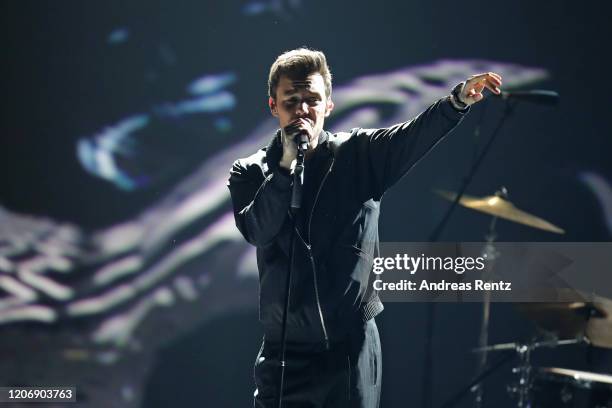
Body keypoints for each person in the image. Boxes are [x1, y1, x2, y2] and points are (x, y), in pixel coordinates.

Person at [227, 48, 502, 408]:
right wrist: (283, 169)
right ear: (273, 107)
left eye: (312, 99)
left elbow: (411, 137)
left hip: (350, 351)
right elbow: (257, 230)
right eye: (291, 101)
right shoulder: (250, 171)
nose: (302, 110)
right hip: (285, 356)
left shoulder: (356, 155)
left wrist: (455, 103)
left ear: (328, 105)